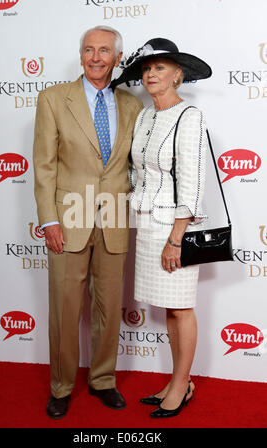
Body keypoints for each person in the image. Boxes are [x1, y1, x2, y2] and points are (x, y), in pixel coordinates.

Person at [33, 25, 143, 419]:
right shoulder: (52, 99)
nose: (96, 57)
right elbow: (44, 166)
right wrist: (49, 220)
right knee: (64, 308)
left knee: (108, 306)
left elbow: (136, 164)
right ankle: (61, 386)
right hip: (69, 217)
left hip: (114, 216)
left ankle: (103, 380)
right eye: (89, 50)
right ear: (80, 56)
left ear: (117, 58)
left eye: (105, 51)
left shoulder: (132, 105)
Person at [111, 38, 212, 418]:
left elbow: (193, 183)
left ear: (178, 75)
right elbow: (139, 171)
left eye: (161, 68)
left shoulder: (190, 116)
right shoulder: (145, 116)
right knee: (171, 308)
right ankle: (176, 380)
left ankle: (183, 384)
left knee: (182, 307)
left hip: (174, 228)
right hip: (148, 223)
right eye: (148, 69)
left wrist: (176, 239)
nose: (152, 74)